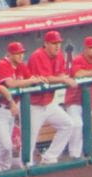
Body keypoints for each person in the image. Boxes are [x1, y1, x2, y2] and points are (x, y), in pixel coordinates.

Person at [0, 41, 42, 172]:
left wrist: (38, 79)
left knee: (4, 145)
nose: (20, 56)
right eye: (17, 53)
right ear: (10, 54)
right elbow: (10, 84)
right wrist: (31, 81)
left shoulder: (21, 66)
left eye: (22, 53)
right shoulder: (3, 64)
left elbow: (32, 79)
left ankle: (1, 171)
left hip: (10, 111)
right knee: (5, 145)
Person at [26, 30, 76, 165]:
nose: (57, 46)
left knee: (68, 124)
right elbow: (46, 78)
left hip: (48, 103)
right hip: (33, 105)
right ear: (46, 44)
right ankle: (25, 166)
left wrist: (62, 78)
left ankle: (49, 157)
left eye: (59, 43)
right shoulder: (37, 56)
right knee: (30, 138)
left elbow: (60, 75)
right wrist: (63, 80)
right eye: (54, 43)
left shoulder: (59, 56)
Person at [63, 36, 92, 159]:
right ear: (85, 49)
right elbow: (77, 74)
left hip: (89, 102)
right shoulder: (78, 59)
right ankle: (73, 155)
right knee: (77, 125)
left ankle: (78, 155)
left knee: (83, 128)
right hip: (74, 101)